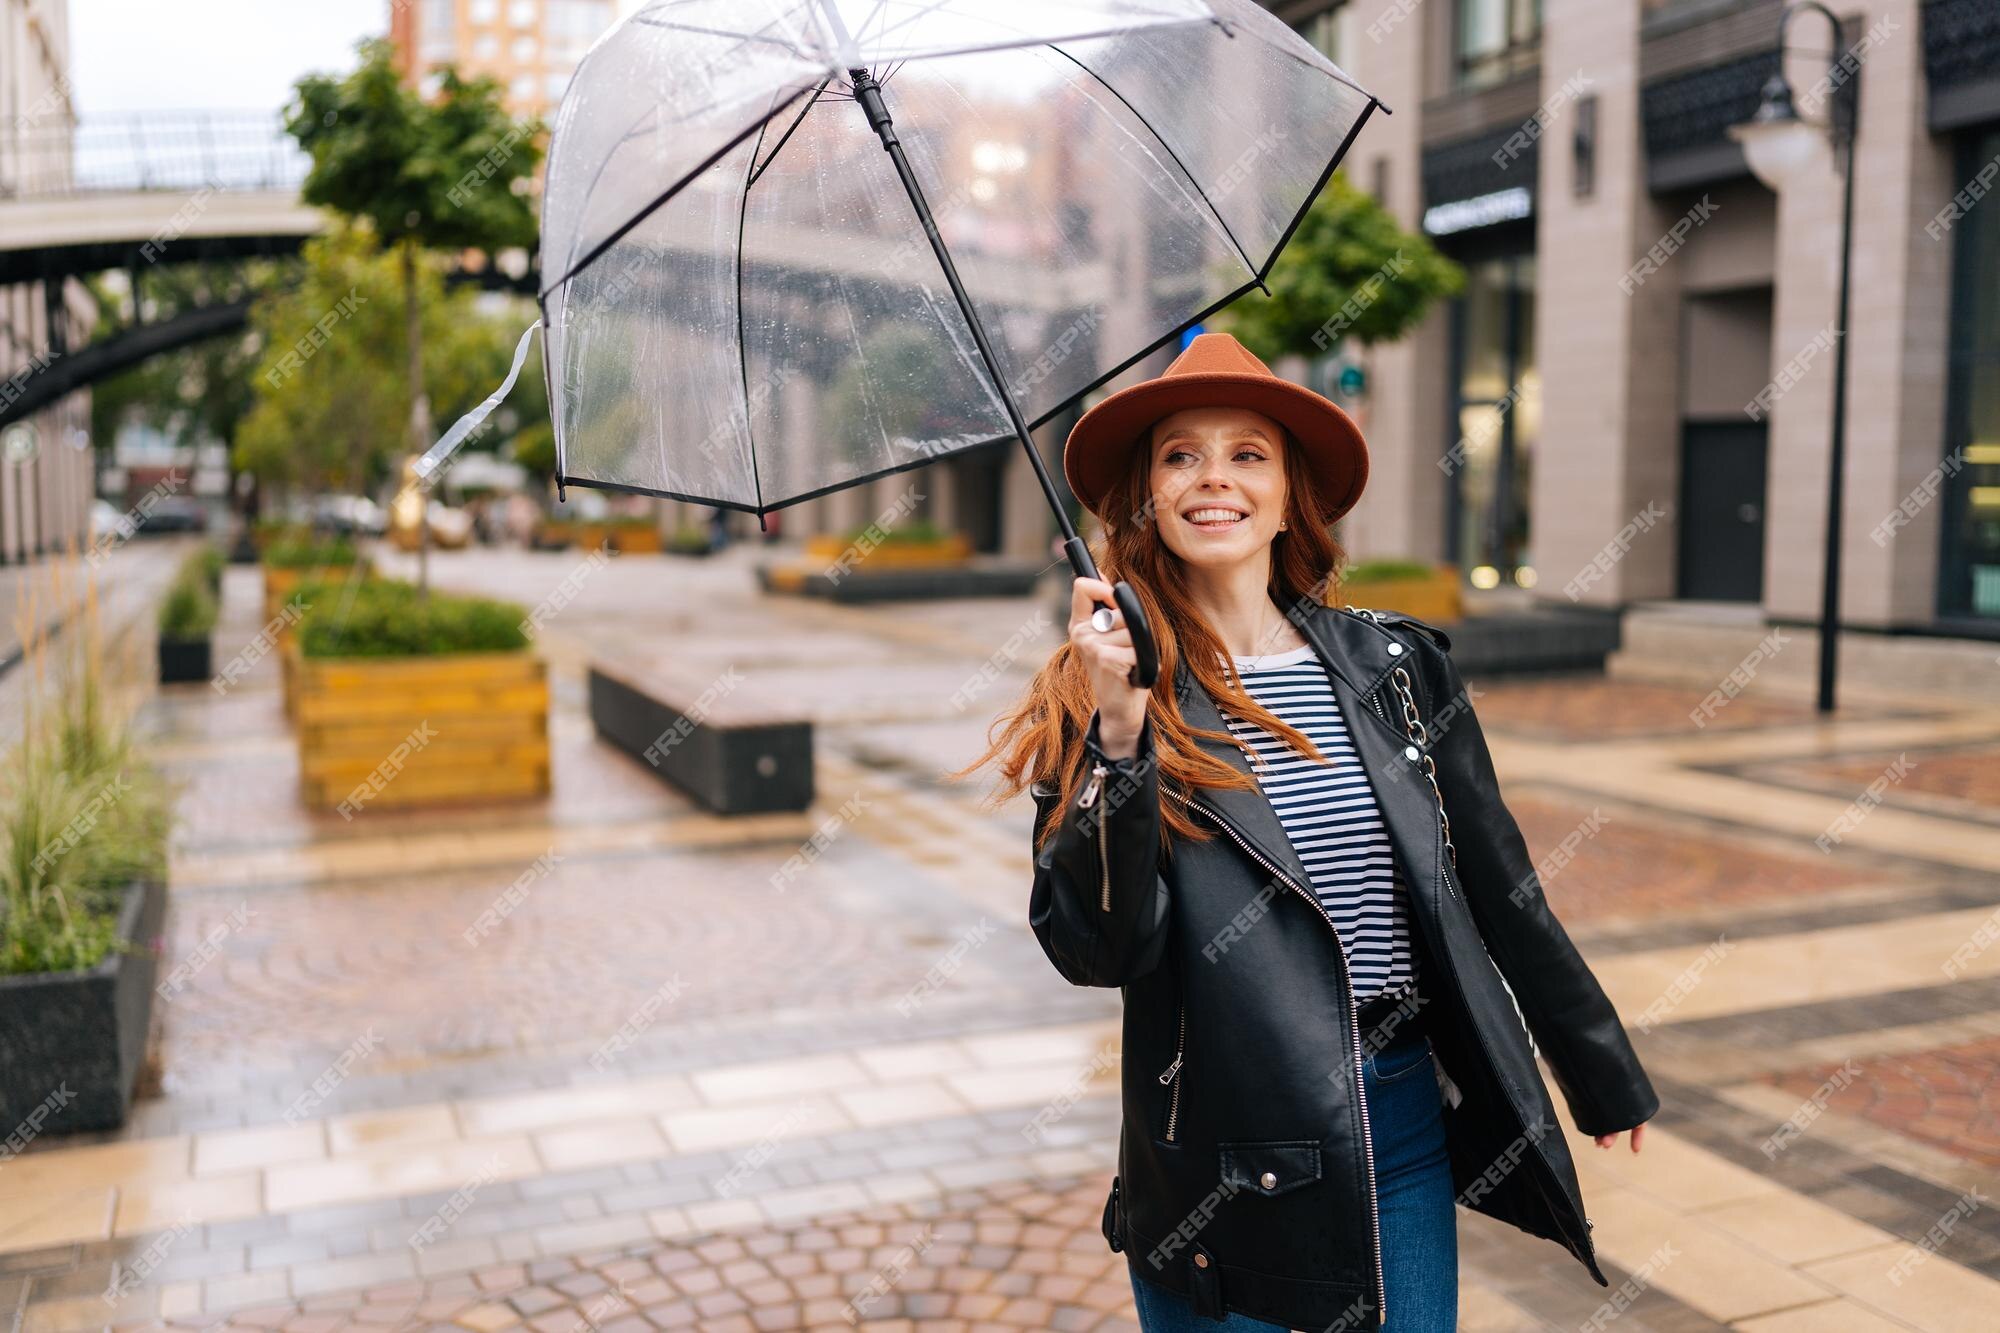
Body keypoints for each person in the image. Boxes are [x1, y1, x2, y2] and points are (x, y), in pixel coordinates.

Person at [961, 333, 1656, 1331]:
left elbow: (1499, 885)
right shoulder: (1100, 688)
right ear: (1145, 494)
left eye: (1248, 453)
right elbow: (1095, 948)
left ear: (1290, 495)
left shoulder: (1394, 666)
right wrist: (1120, 731)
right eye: (1178, 455)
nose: (1213, 477)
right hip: (1219, 1159)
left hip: (1398, 1118)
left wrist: (1597, 1068)